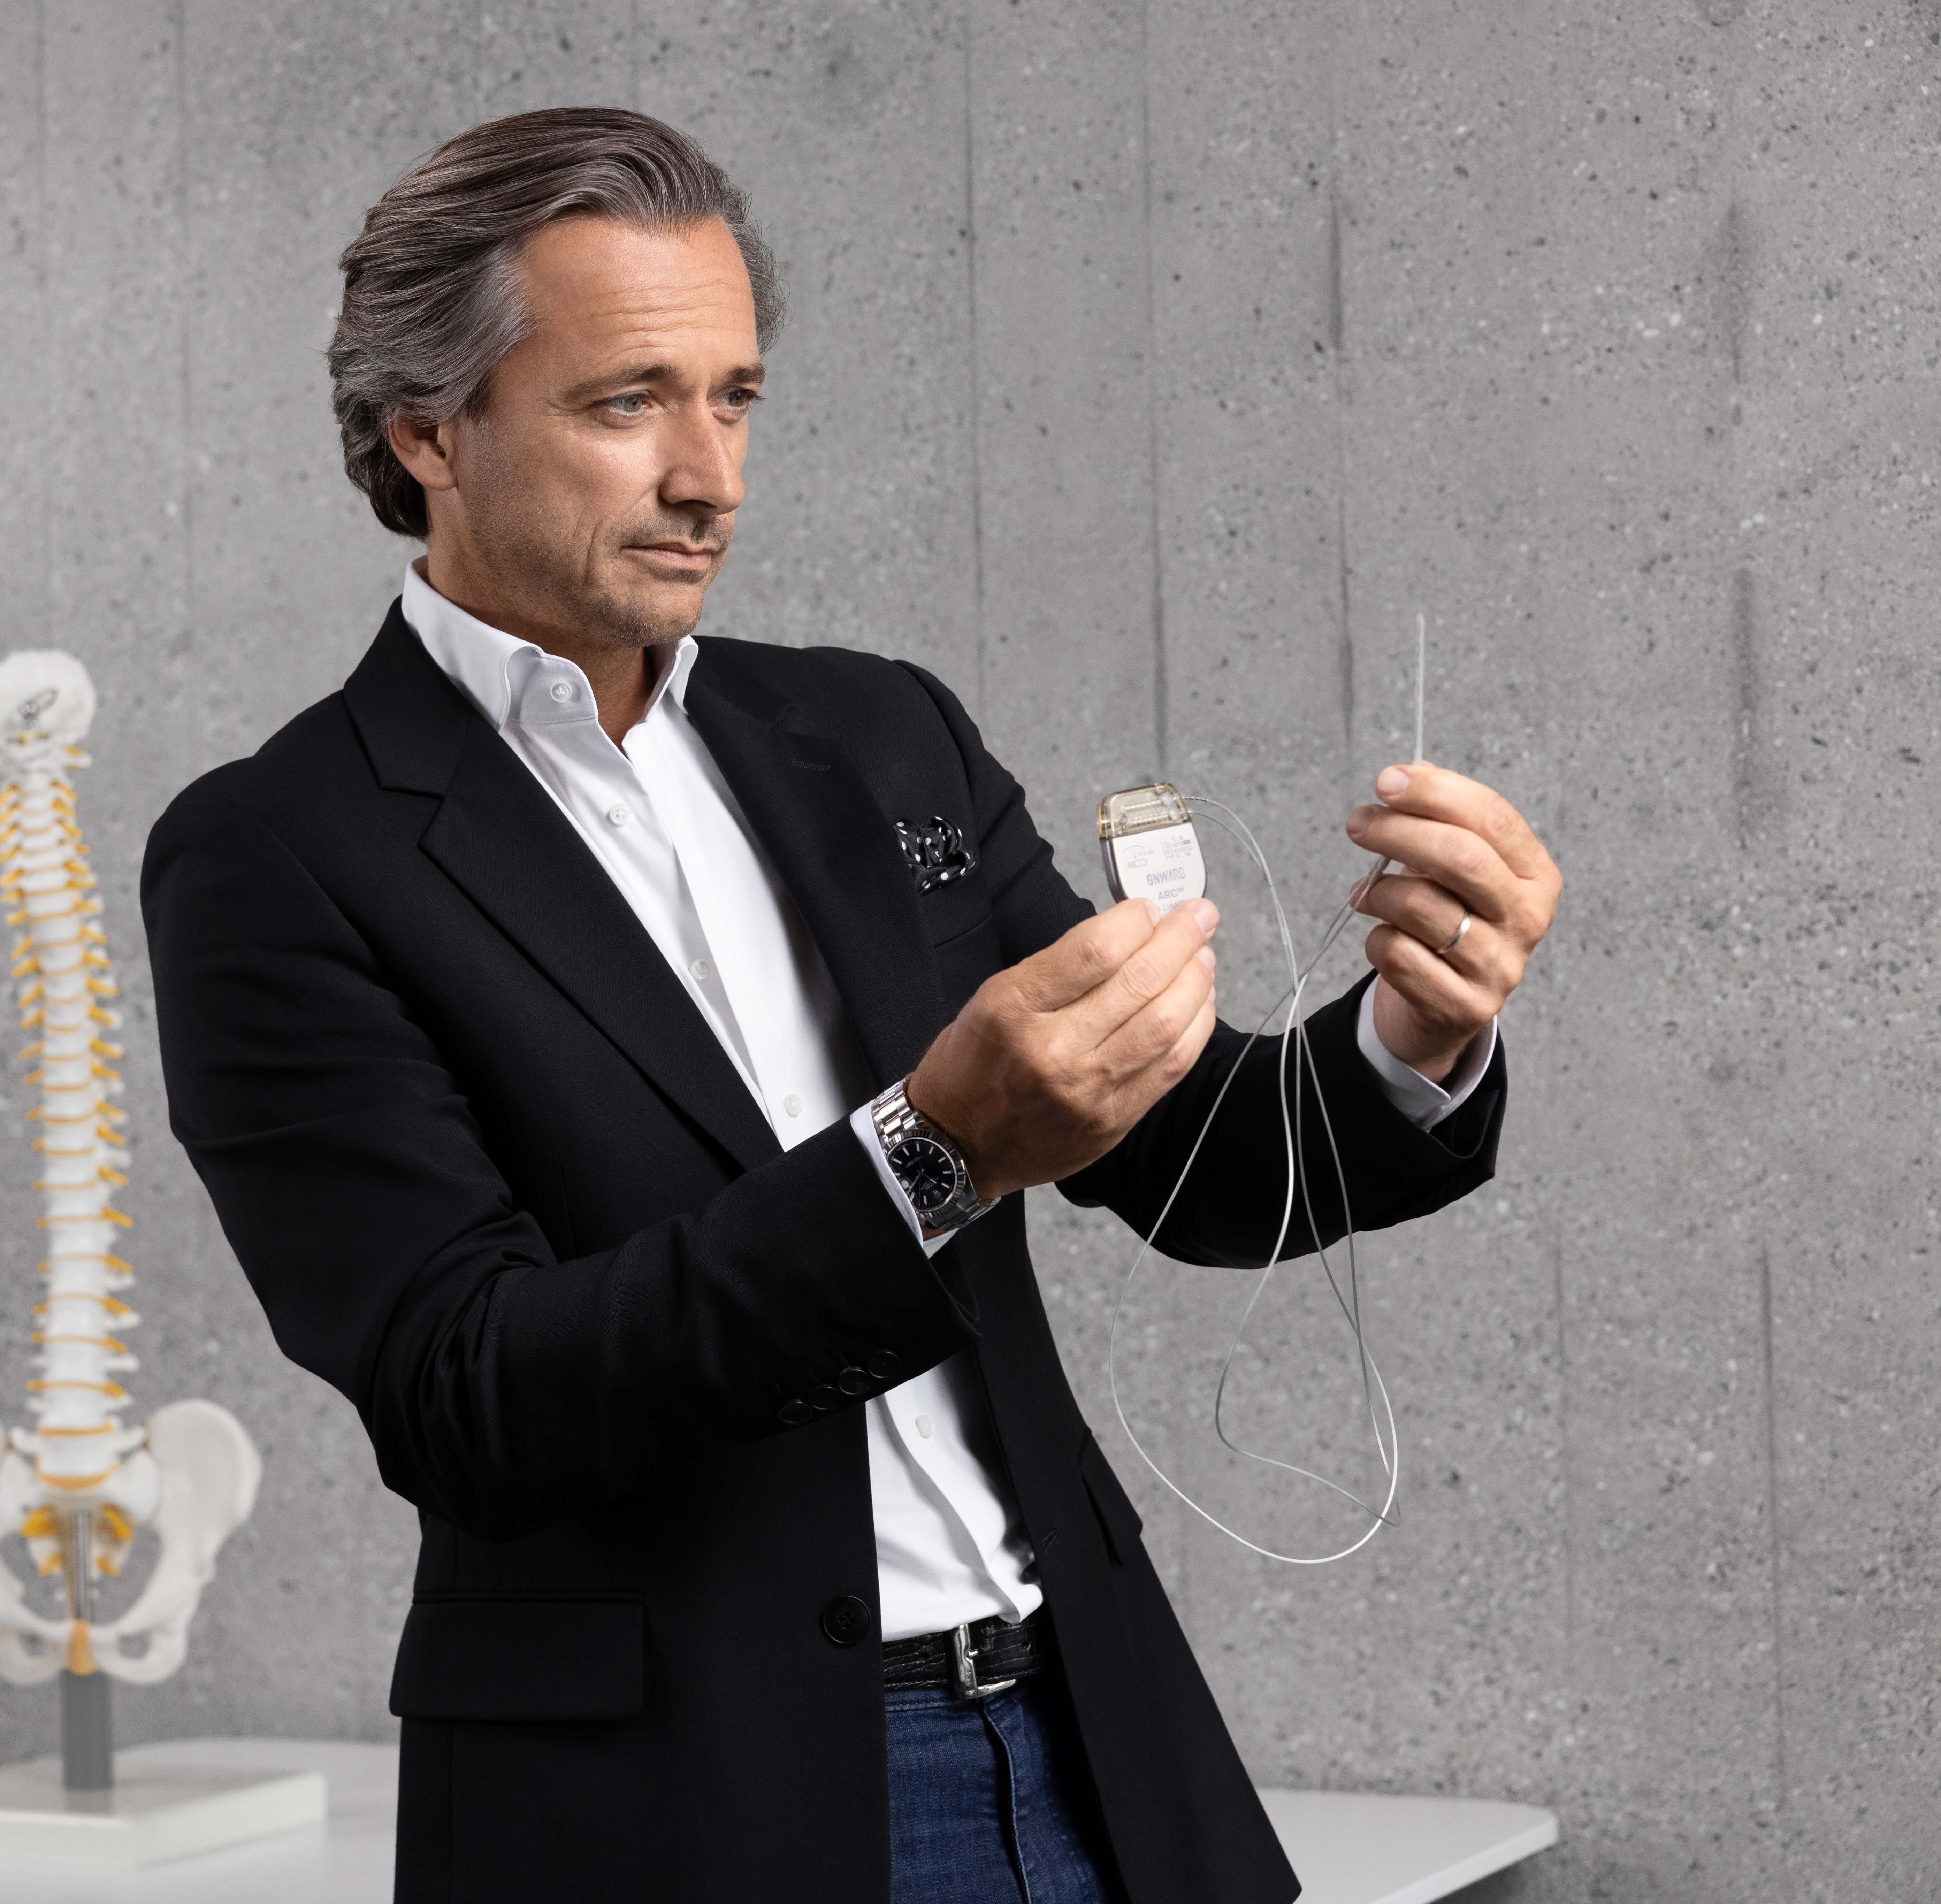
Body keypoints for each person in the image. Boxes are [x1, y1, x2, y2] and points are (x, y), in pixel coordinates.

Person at [141, 108, 1561, 1904]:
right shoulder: (281, 850)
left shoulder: (880, 732)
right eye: (625, 400)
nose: (708, 474)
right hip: (687, 1810)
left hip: (1093, 1742)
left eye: (733, 396)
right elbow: (470, 1394)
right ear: (428, 430)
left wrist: (1416, 1032)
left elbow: (1200, 1160)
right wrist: (932, 1154)